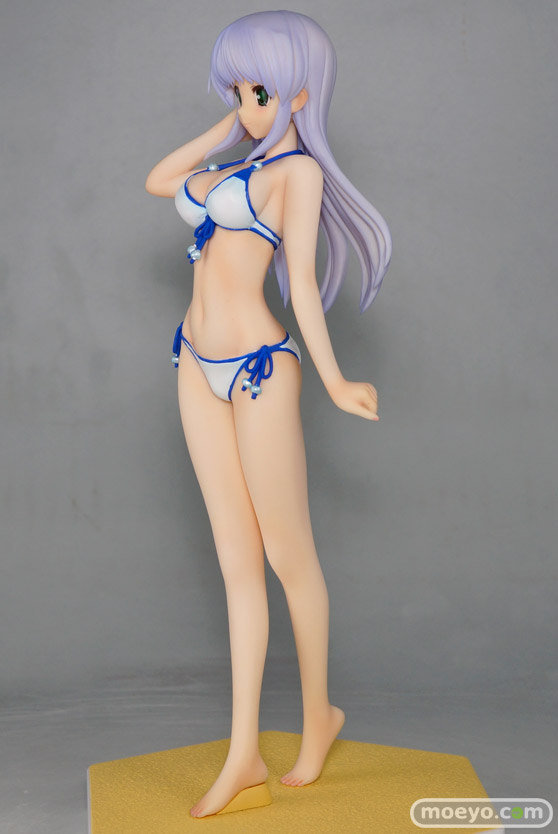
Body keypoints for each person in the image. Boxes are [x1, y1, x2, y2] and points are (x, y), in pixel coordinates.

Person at [145, 10, 392, 819]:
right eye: (238, 87)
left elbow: (302, 288)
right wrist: (230, 124)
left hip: (258, 370)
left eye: (261, 89)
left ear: (300, 93)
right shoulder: (232, 161)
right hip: (194, 364)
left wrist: (335, 381)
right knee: (237, 562)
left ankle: (318, 716)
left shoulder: (298, 175)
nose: (247, 102)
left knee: (288, 555)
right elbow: (159, 180)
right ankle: (244, 750)